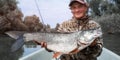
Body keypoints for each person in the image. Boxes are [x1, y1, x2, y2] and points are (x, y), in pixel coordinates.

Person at [35, 0, 103, 60]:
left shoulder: (94, 26)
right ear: (71, 10)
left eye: (80, 6)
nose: (77, 10)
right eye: (74, 8)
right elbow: (56, 47)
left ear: (85, 8)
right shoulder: (64, 25)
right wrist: (47, 46)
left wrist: (92, 45)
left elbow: (98, 53)